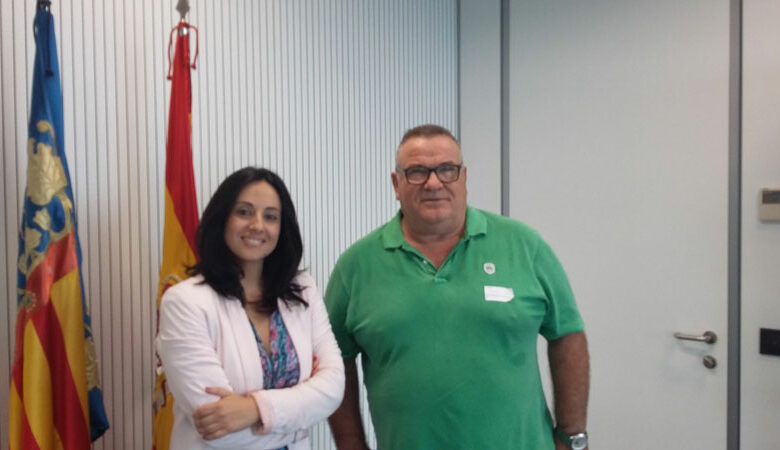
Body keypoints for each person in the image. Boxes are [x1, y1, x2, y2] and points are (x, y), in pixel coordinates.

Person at [325, 125, 589, 450]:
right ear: (396, 184)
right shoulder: (356, 266)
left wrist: (572, 436)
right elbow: (333, 361)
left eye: (447, 169)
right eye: (417, 172)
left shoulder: (525, 246)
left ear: (464, 177)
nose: (433, 183)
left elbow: (567, 334)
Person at [157, 167, 345, 450]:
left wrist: (255, 409)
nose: (257, 225)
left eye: (270, 216)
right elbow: (217, 427)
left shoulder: (302, 290)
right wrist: (301, 421)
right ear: (222, 219)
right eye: (244, 212)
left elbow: (333, 387)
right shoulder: (185, 303)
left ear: (282, 228)